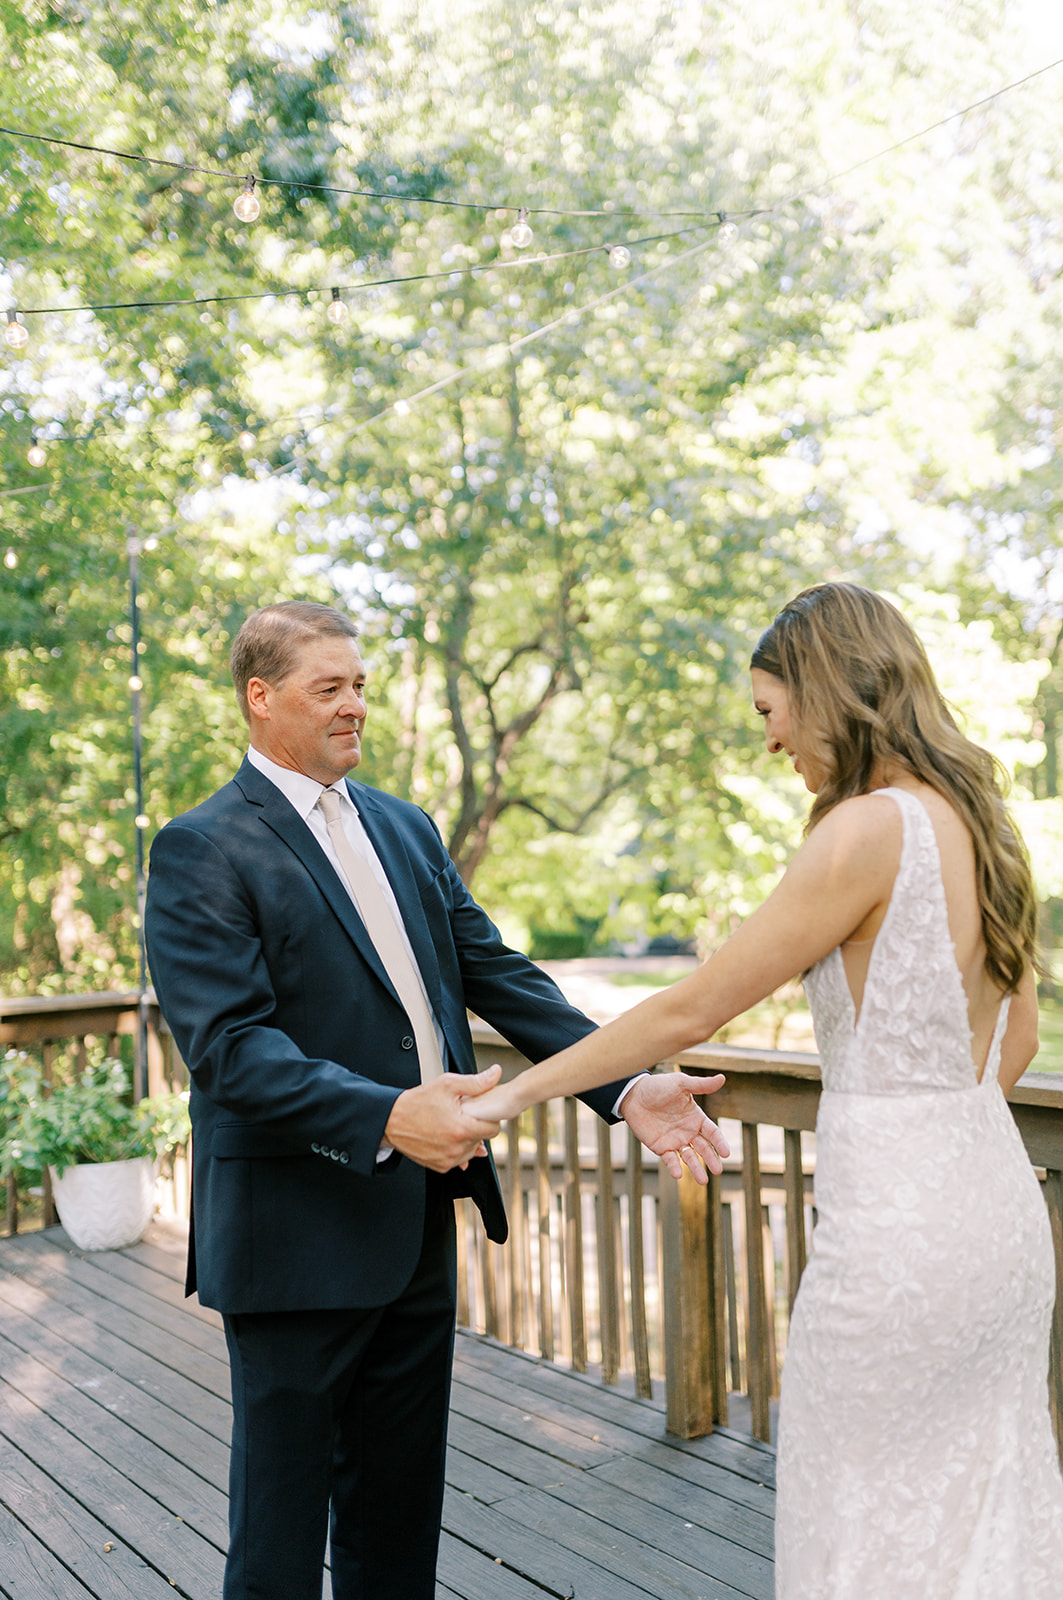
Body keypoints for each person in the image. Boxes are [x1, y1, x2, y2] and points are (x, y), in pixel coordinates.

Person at [468, 582, 1063, 1598]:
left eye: (767, 710)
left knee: (862, 1520)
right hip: (995, 1226)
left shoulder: (863, 830)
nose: (769, 741)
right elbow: (1015, 1040)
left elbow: (688, 1009)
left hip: (899, 1251)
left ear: (824, 687)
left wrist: (499, 1102)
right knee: (980, 1513)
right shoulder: (975, 821)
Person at [143, 599, 727, 1600]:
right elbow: (230, 1051)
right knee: (277, 1535)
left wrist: (624, 1086)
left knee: (397, 1516)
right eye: (327, 688)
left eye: (359, 685)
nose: (352, 707)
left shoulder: (405, 827)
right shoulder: (200, 846)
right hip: (292, 1235)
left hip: (419, 1224)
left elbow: (501, 977)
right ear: (259, 697)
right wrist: (383, 1114)